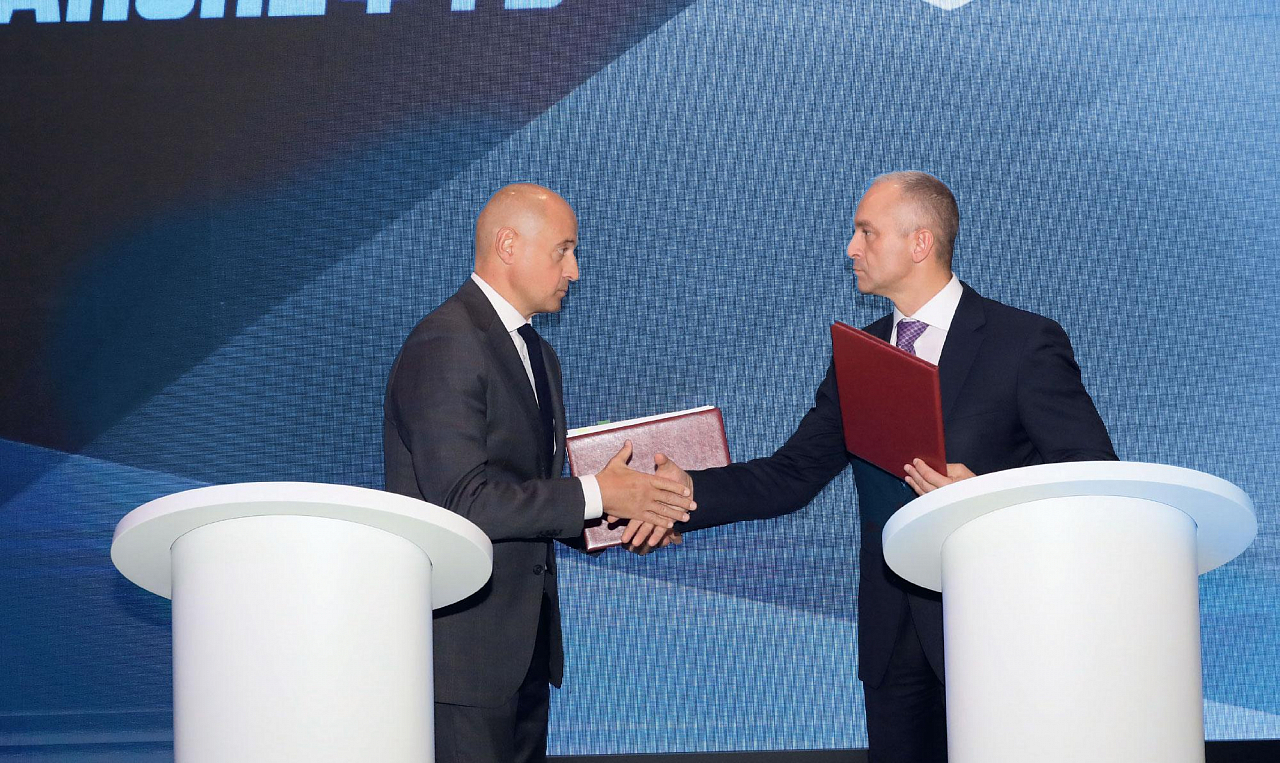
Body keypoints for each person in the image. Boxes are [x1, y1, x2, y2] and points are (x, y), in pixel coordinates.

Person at [633, 172, 1117, 762]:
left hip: (997, 629)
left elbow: (1095, 477)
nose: (851, 248)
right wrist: (684, 491)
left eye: (867, 232)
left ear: (920, 243)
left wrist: (987, 494)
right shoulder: (860, 355)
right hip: (892, 639)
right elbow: (792, 474)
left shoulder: (1022, 342)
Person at [383, 183, 695, 763]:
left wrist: (626, 515)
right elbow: (465, 503)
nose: (574, 271)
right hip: (462, 662)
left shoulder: (538, 353)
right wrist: (600, 493)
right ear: (508, 245)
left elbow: (529, 494)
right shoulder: (446, 342)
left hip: (522, 654)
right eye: (563, 250)